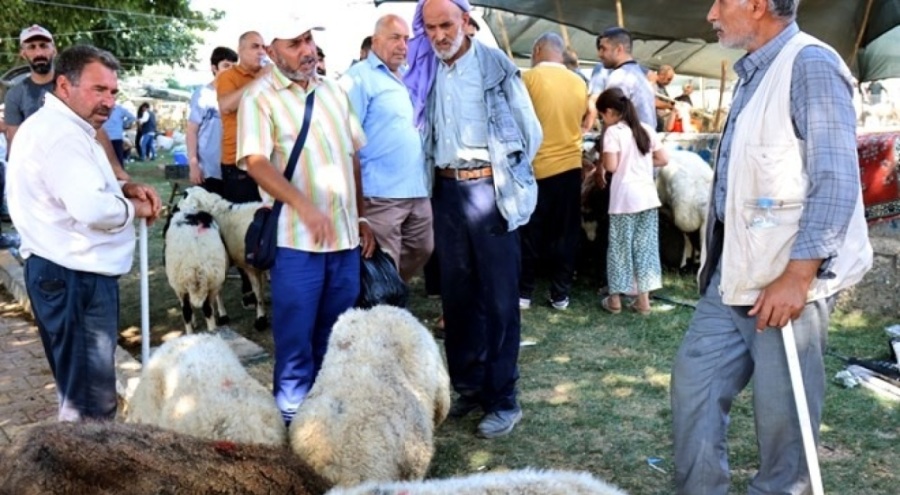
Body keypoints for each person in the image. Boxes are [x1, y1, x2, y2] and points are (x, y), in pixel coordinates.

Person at [670, 1, 873, 494]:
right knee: (694, 386)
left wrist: (798, 278)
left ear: (758, 5)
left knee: (784, 424)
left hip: (787, 286)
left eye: (721, 2)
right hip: (733, 276)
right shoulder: (753, 70)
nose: (710, 14)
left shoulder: (811, 64)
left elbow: (836, 182)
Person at [7, 44, 161, 422]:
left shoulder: (63, 127)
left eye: (113, 92)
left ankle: (81, 467)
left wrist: (122, 189)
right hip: (75, 276)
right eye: (98, 90)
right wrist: (135, 208)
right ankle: (88, 477)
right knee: (90, 405)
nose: (109, 101)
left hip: (64, 271)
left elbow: (77, 189)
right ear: (64, 86)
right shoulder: (64, 135)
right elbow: (90, 208)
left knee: (79, 392)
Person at [410, 0, 542, 439]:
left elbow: (530, 131)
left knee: (500, 300)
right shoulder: (427, 69)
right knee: (457, 296)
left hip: (490, 191)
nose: (439, 35)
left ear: (467, 22)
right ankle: (469, 387)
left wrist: (509, 178)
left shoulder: (495, 66)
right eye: (430, 27)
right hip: (446, 192)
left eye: (446, 25)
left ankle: (503, 398)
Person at [237, 15, 375, 424]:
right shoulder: (258, 97)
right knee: (296, 348)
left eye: (309, 40)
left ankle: (330, 425)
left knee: (336, 341)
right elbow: (256, 164)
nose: (307, 50)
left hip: (345, 241)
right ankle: (293, 429)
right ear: (271, 51)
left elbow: (353, 157)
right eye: (295, 43)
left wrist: (362, 218)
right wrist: (304, 206)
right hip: (297, 243)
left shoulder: (334, 90)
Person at [340, 15, 433, 282]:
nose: (403, 45)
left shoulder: (408, 76)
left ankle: (388, 293)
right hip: (380, 193)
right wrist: (357, 205)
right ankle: (382, 310)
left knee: (423, 248)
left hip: (417, 188)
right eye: (395, 38)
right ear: (375, 41)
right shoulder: (358, 78)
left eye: (406, 39)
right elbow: (346, 141)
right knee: (384, 260)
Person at [519, 32, 588, 311]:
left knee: (529, 233)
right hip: (571, 167)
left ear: (537, 49)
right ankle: (560, 294)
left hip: (536, 168)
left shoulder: (528, 79)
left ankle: (523, 293)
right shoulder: (580, 83)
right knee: (566, 233)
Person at [595, 87, 667, 315]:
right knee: (645, 248)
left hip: (624, 198)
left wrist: (609, 164)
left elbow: (612, 166)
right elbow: (663, 159)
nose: (602, 120)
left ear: (609, 111)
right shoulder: (645, 129)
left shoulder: (613, 132)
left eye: (601, 115)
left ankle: (615, 299)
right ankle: (643, 301)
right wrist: (643, 165)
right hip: (647, 196)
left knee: (620, 248)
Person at [217, 31, 269, 204]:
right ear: (240, 50)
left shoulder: (268, 76)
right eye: (255, 47)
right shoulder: (228, 76)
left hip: (267, 160)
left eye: (263, 47)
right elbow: (226, 105)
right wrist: (259, 81)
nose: (261, 51)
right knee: (241, 225)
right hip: (237, 163)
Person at [187, 46, 238, 195]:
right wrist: (193, 163)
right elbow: (191, 131)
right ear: (214, 68)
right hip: (208, 170)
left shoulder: (239, 95)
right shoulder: (203, 94)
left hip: (233, 169)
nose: (231, 70)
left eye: (234, 66)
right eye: (226, 66)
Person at [596, 27, 657, 129]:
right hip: (645, 140)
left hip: (628, 142)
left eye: (603, 49)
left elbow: (612, 122)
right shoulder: (639, 75)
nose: (600, 54)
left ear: (619, 49)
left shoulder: (620, 78)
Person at [654, 64, 676, 132]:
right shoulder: (652, 85)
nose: (669, 82)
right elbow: (653, 102)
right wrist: (670, 106)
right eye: (668, 79)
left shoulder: (662, 87)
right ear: (661, 75)